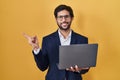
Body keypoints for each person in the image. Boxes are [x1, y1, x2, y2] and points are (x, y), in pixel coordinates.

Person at [23, 4, 89, 80]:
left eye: (66, 16)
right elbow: (43, 67)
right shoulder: (47, 40)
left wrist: (81, 69)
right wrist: (36, 49)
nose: (64, 20)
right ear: (56, 19)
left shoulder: (82, 40)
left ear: (72, 18)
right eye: (60, 17)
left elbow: (85, 68)